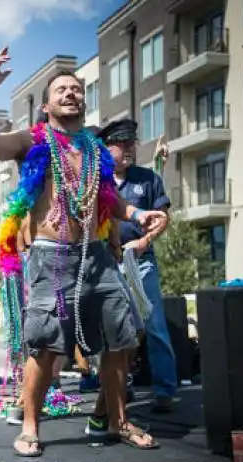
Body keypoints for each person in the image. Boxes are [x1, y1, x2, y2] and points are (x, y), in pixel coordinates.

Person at [0, 48, 167, 456]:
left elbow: (108, 200)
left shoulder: (94, 150)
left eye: (77, 89)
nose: (71, 93)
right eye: (62, 89)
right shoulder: (32, 140)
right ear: (46, 104)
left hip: (97, 255)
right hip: (50, 256)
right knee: (44, 345)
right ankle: (30, 426)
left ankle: (115, 420)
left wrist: (138, 212)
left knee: (122, 338)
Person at [97, 119, 176, 413]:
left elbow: (163, 217)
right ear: (107, 148)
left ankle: (165, 390)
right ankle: (120, 388)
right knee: (115, 331)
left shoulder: (148, 178)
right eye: (123, 143)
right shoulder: (97, 181)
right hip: (107, 266)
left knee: (154, 326)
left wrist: (145, 241)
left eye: (133, 142)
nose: (130, 148)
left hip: (141, 263)